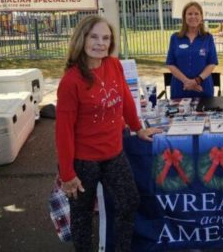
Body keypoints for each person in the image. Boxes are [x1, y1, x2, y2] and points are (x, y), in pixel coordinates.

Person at [55, 15, 160, 252]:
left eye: (106, 38)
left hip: (114, 153)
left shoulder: (114, 65)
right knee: (82, 218)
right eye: (94, 37)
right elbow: (63, 131)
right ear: (81, 39)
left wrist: (137, 128)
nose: (100, 43)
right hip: (84, 162)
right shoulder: (71, 81)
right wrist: (67, 173)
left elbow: (124, 100)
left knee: (129, 202)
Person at [165, 1, 218, 98]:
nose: (193, 16)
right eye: (189, 14)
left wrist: (196, 81)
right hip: (180, 89)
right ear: (184, 17)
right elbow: (170, 63)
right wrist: (186, 82)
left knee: (205, 113)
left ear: (201, 17)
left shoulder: (208, 38)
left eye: (196, 14)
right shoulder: (175, 38)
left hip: (203, 88)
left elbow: (212, 63)